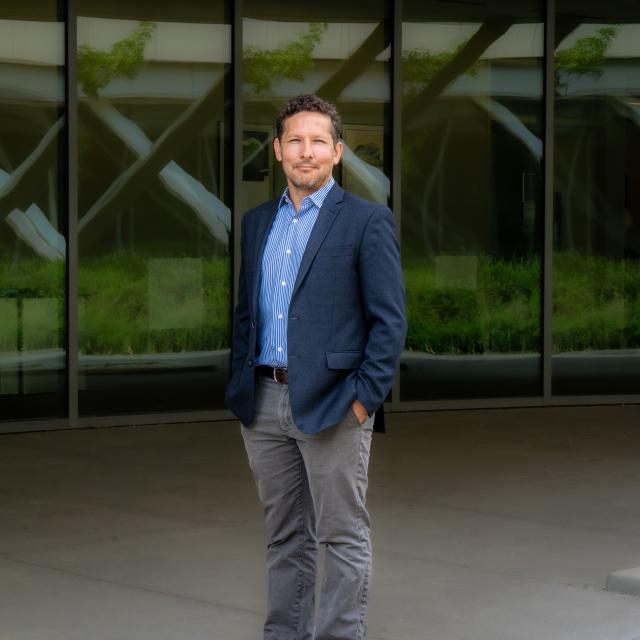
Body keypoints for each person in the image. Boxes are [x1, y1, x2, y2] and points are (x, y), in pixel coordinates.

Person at [225, 94, 406, 640]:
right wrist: (241, 385)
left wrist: (362, 402)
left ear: (338, 151)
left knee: (341, 535)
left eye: (319, 141)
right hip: (263, 403)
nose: (307, 152)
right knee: (284, 536)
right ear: (278, 150)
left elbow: (389, 323)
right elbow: (245, 314)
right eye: (296, 141)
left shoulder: (367, 221)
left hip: (335, 404)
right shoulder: (257, 223)